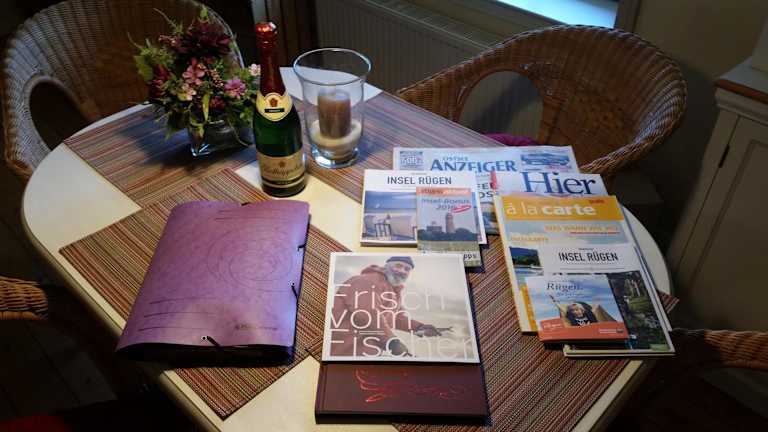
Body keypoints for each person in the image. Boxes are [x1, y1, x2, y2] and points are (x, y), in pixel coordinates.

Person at [330, 256, 442, 357]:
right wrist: (392, 342)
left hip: (366, 352)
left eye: (407, 269)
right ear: (386, 267)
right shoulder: (367, 280)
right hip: (344, 350)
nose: (402, 271)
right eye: (398, 266)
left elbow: (396, 317)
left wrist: (418, 327)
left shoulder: (393, 291)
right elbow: (367, 314)